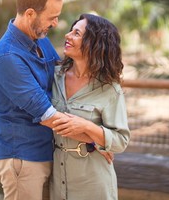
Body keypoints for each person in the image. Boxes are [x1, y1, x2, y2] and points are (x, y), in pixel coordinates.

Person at [0, 0, 66, 200]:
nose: (56, 23)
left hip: (45, 152)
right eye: (52, 17)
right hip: (22, 159)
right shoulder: (6, 56)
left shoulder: (41, 39)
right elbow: (46, 114)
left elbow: (62, 77)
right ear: (30, 13)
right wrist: (97, 139)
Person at [49, 13, 131, 200]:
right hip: (57, 176)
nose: (67, 36)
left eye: (76, 33)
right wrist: (93, 139)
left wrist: (87, 126)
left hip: (93, 181)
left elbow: (120, 140)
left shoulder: (109, 89)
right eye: (71, 31)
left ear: (94, 43)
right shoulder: (54, 76)